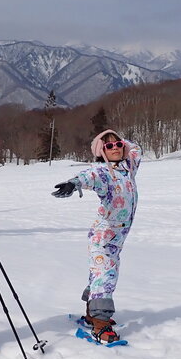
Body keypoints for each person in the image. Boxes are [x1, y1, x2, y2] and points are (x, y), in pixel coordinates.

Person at [52, 129, 142, 343]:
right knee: (106, 275)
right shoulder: (102, 171)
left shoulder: (128, 167)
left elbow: (137, 149)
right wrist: (74, 183)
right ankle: (101, 323)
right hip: (104, 236)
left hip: (118, 237)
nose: (115, 148)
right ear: (101, 151)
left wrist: (118, 139)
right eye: (109, 146)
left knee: (101, 273)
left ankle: (92, 314)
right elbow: (88, 177)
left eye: (118, 144)